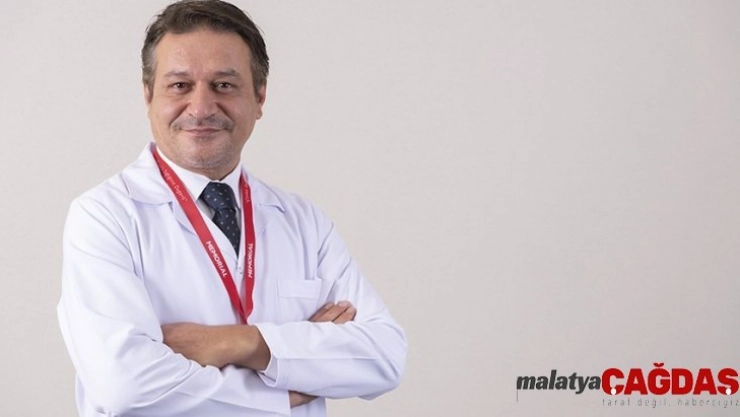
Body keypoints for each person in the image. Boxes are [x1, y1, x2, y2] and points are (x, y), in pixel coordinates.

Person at [57, 1, 407, 416]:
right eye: (180, 85)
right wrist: (292, 382)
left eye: (223, 85)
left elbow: (385, 356)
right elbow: (126, 386)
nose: (201, 108)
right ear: (148, 95)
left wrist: (240, 342)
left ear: (259, 96)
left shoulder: (304, 222)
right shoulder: (105, 217)